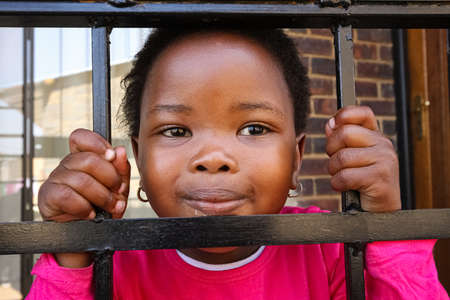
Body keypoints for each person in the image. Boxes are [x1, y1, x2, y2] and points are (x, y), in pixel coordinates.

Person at [27, 29, 448, 299]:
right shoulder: (112, 262)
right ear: (138, 157)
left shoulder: (330, 249)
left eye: (253, 128)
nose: (214, 159)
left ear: (296, 158)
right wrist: (71, 252)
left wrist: (386, 231)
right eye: (175, 131)